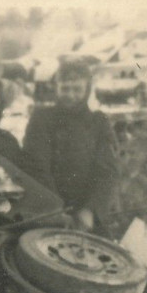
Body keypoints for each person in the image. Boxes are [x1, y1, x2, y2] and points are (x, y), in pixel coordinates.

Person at [21, 58, 120, 232]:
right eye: (65, 89)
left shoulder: (99, 122)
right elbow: (37, 166)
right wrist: (54, 210)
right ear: (56, 88)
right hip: (48, 209)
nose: (71, 95)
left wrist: (91, 210)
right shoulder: (41, 119)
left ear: (87, 90)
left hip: (86, 213)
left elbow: (107, 171)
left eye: (77, 89)